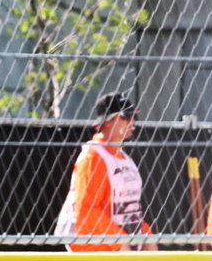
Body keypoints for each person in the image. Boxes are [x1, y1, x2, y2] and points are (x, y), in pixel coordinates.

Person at [55, 91, 156, 252]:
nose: (132, 122)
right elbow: (87, 210)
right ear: (108, 121)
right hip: (97, 248)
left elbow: (129, 211)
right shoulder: (94, 157)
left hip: (120, 245)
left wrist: (146, 235)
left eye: (134, 117)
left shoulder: (124, 158)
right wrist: (119, 241)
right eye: (126, 116)